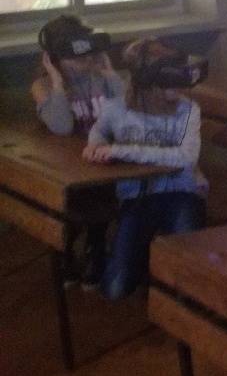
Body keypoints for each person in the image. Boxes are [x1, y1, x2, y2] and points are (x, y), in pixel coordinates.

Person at [85, 39, 207, 300]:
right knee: (115, 289)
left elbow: (186, 157)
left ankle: (153, 263)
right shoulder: (116, 108)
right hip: (137, 198)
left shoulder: (188, 110)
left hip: (181, 193)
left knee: (187, 281)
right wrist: (96, 144)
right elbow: (99, 130)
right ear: (148, 82)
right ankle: (133, 258)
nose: (180, 88)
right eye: (172, 82)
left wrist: (122, 150)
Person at [33, 15, 125, 287]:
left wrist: (110, 75)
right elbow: (62, 127)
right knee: (79, 199)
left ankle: (96, 249)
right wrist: (57, 83)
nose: (84, 60)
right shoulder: (43, 87)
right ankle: (68, 250)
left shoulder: (100, 77)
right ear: (54, 58)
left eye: (86, 51)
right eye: (74, 55)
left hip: (103, 161)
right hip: (68, 168)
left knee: (106, 191)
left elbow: (125, 116)